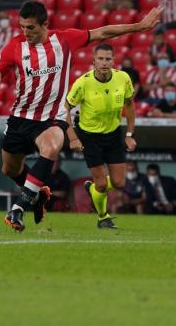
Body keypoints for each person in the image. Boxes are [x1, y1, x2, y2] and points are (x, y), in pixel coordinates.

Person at [0, 1, 163, 231]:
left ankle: (18, 209)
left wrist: (139, 26)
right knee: (10, 170)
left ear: (45, 24)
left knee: (51, 147)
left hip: (52, 117)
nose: (25, 33)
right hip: (21, 117)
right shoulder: (13, 47)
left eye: (31, 28)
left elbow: (103, 32)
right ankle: (38, 196)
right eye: (22, 27)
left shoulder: (64, 39)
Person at [65, 43, 137, 229]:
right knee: (102, 185)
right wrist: (73, 137)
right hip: (89, 136)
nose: (104, 63)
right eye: (101, 59)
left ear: (113, 60)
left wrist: (129, 134)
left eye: (108, 59)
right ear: (94, 61)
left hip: (113, 134)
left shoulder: (123, 78)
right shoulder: (83, 82)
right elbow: (64, 108)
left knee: (119, 182)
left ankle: (92, 188)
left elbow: (129, 105)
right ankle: (103, 217)